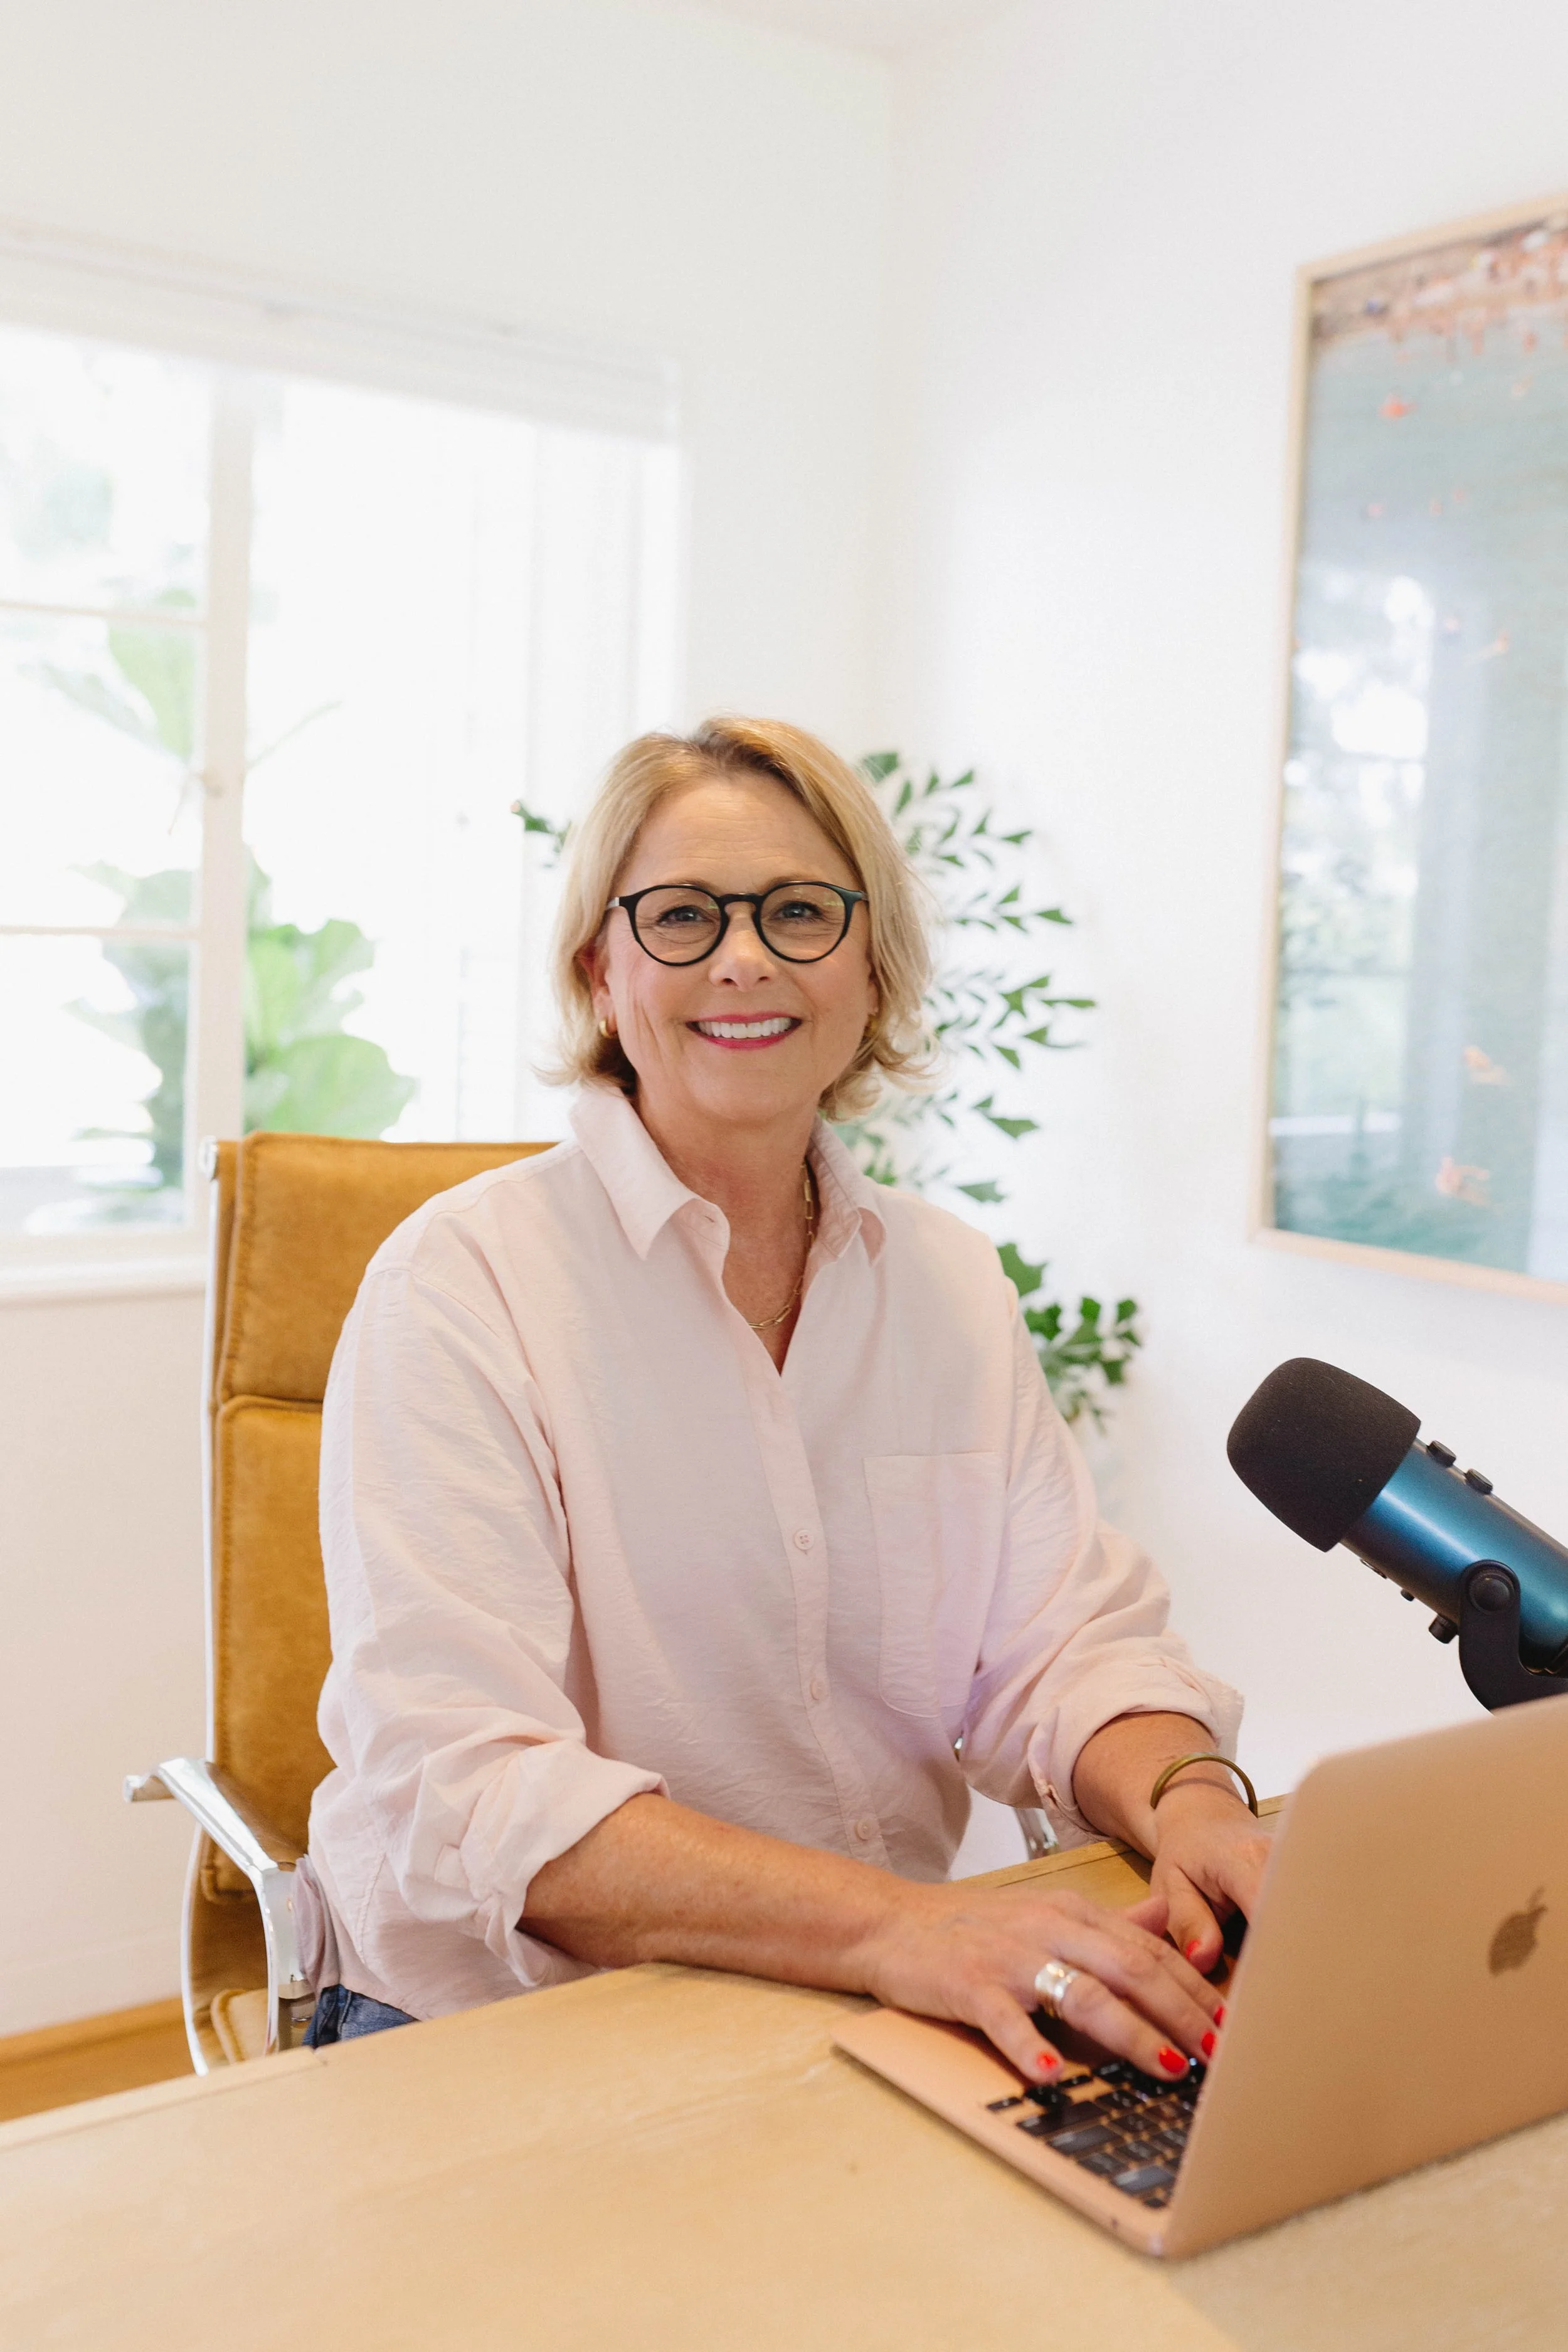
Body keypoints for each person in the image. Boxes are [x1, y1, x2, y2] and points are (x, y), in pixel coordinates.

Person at [295, 717, 1268, 2082]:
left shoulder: (948, 1285)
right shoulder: (460, 1285)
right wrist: (895, 1931)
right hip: (506, 2025)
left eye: (798, 911)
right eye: (681, 915)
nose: (743, 957)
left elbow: (1059, 1649)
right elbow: (469, 1786)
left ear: (868, 966)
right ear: (601, 966)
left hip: (854, 1994)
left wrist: (1190, 1798)